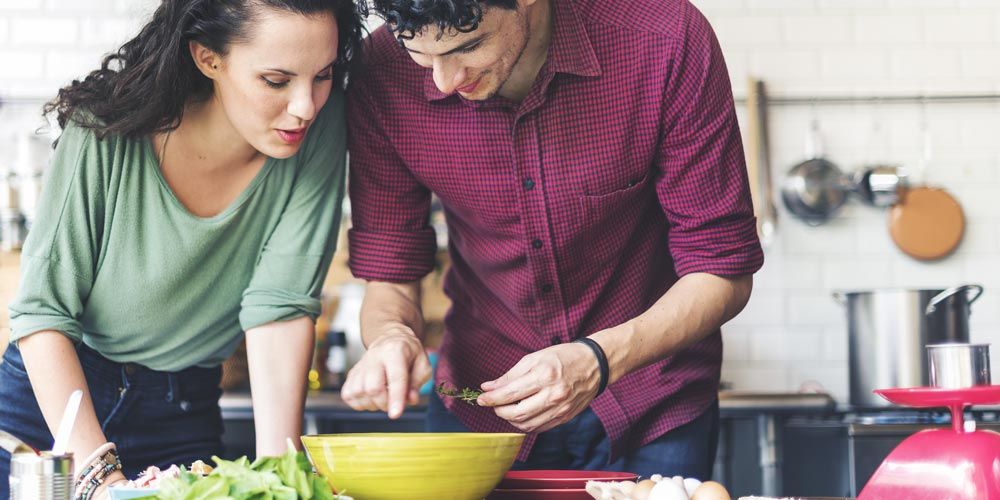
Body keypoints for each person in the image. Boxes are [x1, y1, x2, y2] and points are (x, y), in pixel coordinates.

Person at [341, 0, 763, 479]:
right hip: (480, 406)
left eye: (469, 47)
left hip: (653, 400)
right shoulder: (380, 73)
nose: (444, 81)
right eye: (419, 55)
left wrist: (599, 360)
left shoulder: (662, 35)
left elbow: (724, 271)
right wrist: (391, 336)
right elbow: (390, 277)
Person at [0, 0, 363, 498]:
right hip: (55, 412)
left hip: (182, 412)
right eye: (276, 81)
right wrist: (98, 478)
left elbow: (279, 307)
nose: (305, 105)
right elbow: (42, 314)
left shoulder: (318, 128)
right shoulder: (105, 132)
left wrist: (282, 477)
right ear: (208, 58)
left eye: (322, 76)